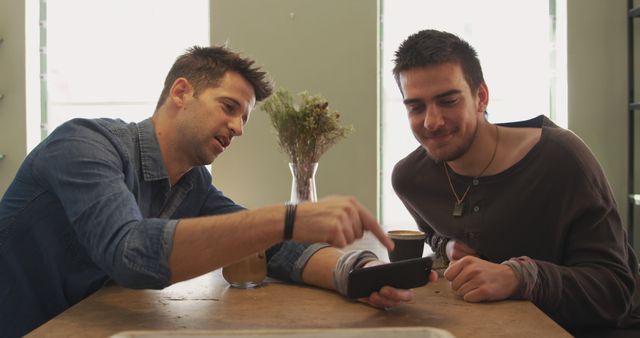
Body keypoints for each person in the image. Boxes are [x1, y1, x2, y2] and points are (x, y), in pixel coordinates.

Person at [0, 46, 428, 337]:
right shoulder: (83, 145)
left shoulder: (192, 184)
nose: (238, 129)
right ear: (181, 92)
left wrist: (356, 272)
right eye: (229, 108)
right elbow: (129, 253)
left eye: (244, 119)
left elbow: (272, 248)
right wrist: (288, 217)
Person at [390, 29, 640, 335]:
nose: (432, 122)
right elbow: (434, 235)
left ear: (481, 97)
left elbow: (616, 291)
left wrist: (519, 277)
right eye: (416, 107)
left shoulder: (562, 159)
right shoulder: (410, 179)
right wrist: (447, 246)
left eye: (448, 101)